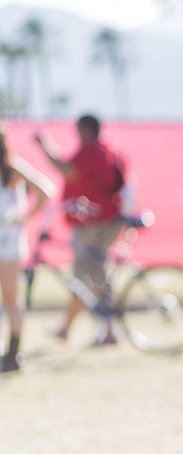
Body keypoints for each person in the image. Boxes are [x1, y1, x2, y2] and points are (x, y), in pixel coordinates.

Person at [34, 113, 126, 343]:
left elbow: (67, 170)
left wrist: (45, 145)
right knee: (96, 275)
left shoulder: (92, 150)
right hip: (104, 220)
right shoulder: (108, 150)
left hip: (93, 222)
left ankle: (78, 328)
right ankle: (102, 329)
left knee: (84, 276)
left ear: (86, 129)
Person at [0, 129, 56, 371]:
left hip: (8, 244)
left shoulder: (12, 169)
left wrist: (25, 216)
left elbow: (46, 190)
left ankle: (13, 353)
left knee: (12, 299)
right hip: (8, 242)